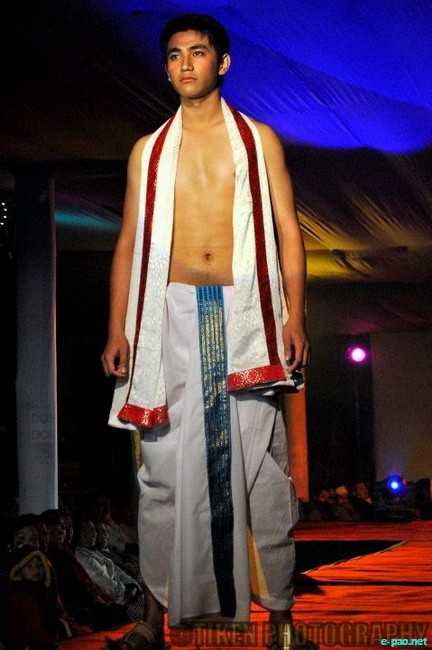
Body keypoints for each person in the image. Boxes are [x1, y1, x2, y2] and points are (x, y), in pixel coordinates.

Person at [101, 13, 312, 650]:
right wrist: (117, 327)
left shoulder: (259, 140)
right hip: (167, 318)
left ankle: (282, 623)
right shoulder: (148, 150)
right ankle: (151, 621)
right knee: (162, 473)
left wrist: (295, 315)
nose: (184, 64)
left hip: (246, 317)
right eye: (174, 55)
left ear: (222, 63)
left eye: (197, 52)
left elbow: (288, 230)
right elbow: (129, 241)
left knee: (261, 472)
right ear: (166, 68)